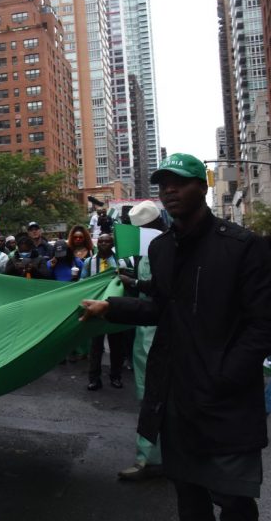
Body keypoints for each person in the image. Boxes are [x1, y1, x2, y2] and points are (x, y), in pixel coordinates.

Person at [81, 153, 271, 521]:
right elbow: (161, 307)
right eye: (164, 184)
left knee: (233, 500)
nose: (169, 190)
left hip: (224, 402)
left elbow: (262, 324)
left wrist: (225, 376)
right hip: (175, 399)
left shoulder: (242, 245)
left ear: (202, 187)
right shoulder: (162, 248)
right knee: (189, 497)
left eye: (179, 183)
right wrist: (110, 307)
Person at [114, 199, 166, 482]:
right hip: (145, 331)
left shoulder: (166, 249)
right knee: (149, 395)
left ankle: (152, 459)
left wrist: (134, 283)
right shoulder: (143, 252)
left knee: (155, 396)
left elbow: (162, 290)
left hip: (160, 332)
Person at [80, 232, 127, 391]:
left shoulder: (121, 261)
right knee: (95, 346)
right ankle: (94, 379)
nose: (103, 244)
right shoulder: (89, 262)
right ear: (97, 243)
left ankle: (116, 376)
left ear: (112, 244)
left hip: (114, 307)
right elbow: (82, 281)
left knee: (117, 345)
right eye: (100, 241)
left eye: (107, 241)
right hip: (95, 308)